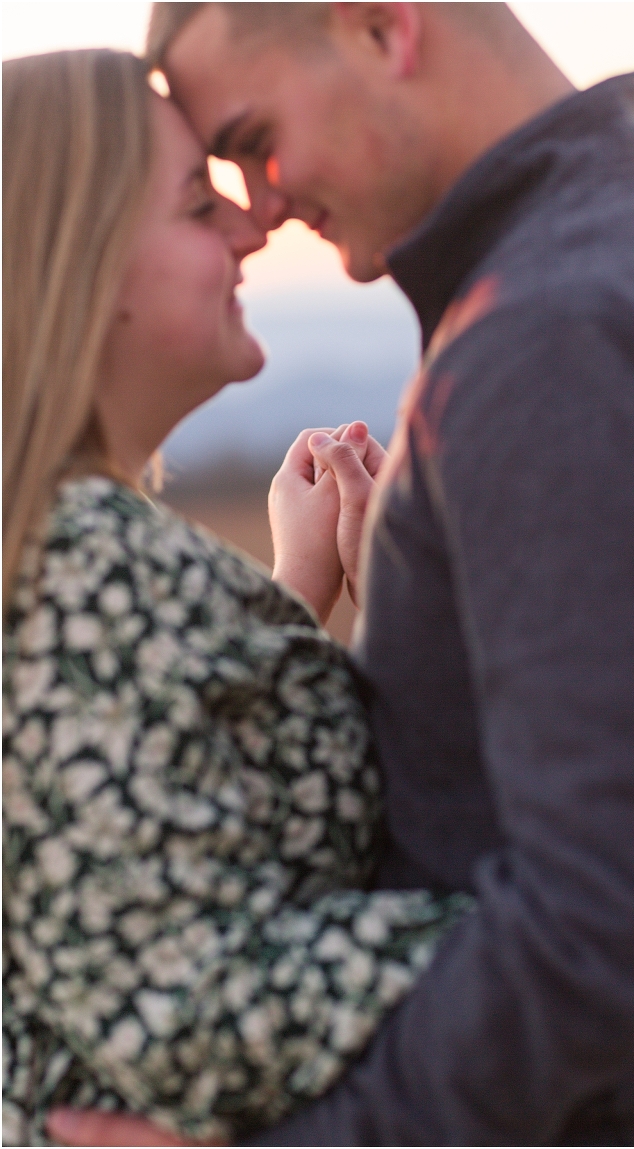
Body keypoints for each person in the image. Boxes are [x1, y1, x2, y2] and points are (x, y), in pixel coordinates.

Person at [47, 3, 634, 1146]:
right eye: (212, 187)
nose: (262, 209)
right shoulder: (615, 255)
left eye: (250, 139)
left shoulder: (558, 332)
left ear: (384, 28)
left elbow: (612, 902)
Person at [1, 49, 472, 1147]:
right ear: (81, 267)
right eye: (191, 204)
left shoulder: (73, 564)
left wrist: (293, 599)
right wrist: (615, 926)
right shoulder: (79, 572)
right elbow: (200, 1016)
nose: (251, 227)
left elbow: (158, 811)